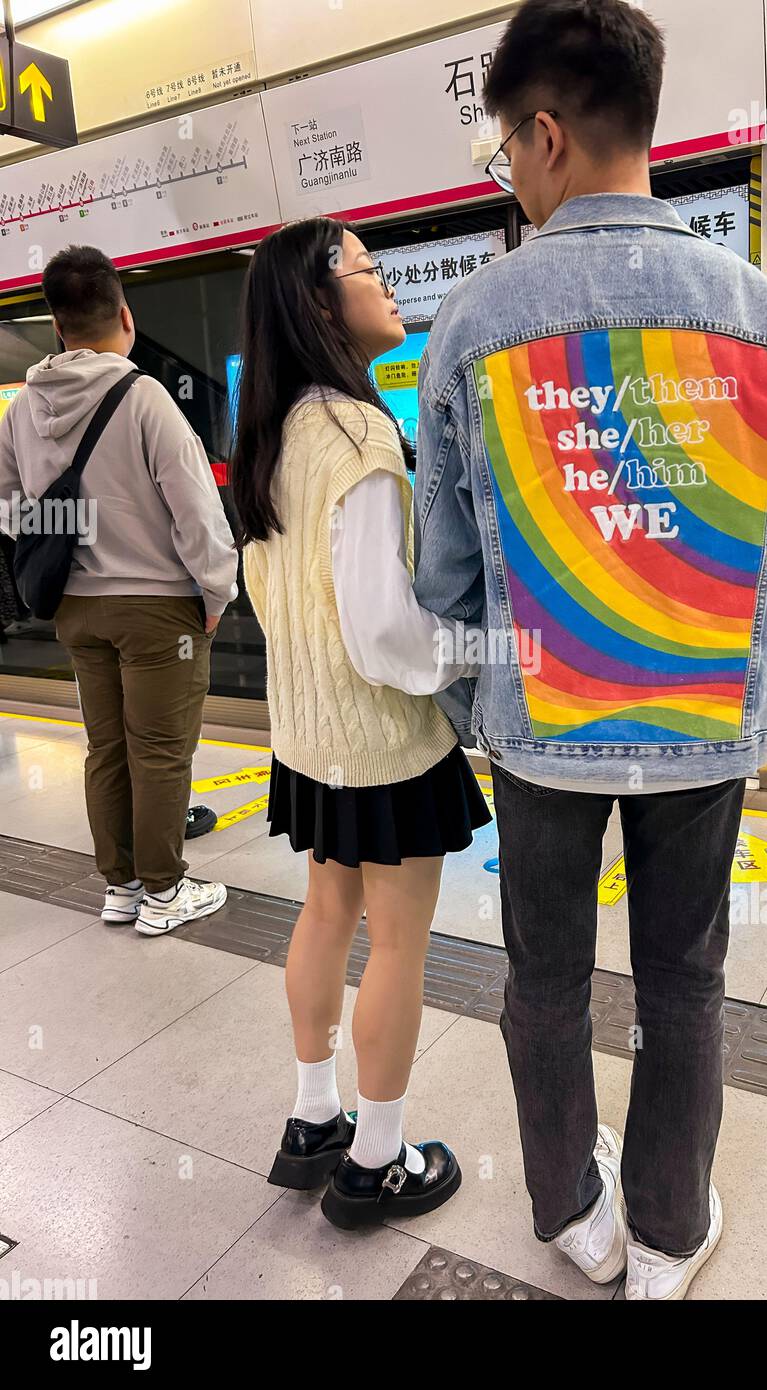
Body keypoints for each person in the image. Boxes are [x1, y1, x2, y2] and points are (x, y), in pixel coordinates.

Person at [412, 0, 767, 1299]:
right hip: (700, 719)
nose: (508, 172)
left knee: (540, 979)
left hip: (538, 731)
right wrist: (737, 690)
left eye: (502, 151)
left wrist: (477, 699)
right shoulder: (751, 307)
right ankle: (663, 1232)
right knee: (682, 980)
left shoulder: (474, 322)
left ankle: (570, 1216)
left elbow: (442, 577)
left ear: (544, 134)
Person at [231, 218, 491, 1229]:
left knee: (325, 915)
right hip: (382, 741)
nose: (388, 286)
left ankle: (313, 1122)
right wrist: (466, 652)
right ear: (319, 301)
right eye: (369, 270)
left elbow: (282, 598)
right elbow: (385, 632)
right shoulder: (357, 431)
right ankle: (378, 1159)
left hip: (304, 737)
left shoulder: (273, 435)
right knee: (398, 945)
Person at [0, 246, 237, 935]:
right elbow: (196, 511)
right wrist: (215, 593)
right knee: (160, 749)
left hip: (76, 609)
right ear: (124, 317)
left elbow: (9, 506)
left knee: (107, 747)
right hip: (159, 607)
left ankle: (121, 887)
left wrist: (66, 544)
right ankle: (164, 894)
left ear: (56, 322)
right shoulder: (144, 398)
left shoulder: (22, 408)